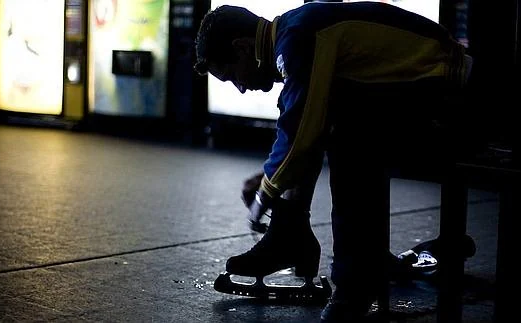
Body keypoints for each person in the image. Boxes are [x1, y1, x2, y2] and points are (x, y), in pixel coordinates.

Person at [194, 1, 472, 321]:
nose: (240, 89)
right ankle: (291, 234)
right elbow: (299, 117)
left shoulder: (299, 35)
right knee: (327, 113)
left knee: (349, 138)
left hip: (457, 105)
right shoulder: (294, 32)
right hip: (434, 97)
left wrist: (265, 192)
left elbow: (302, 127)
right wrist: (276, 178)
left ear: (242, 48)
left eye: (231, 76)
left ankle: (354, 285)